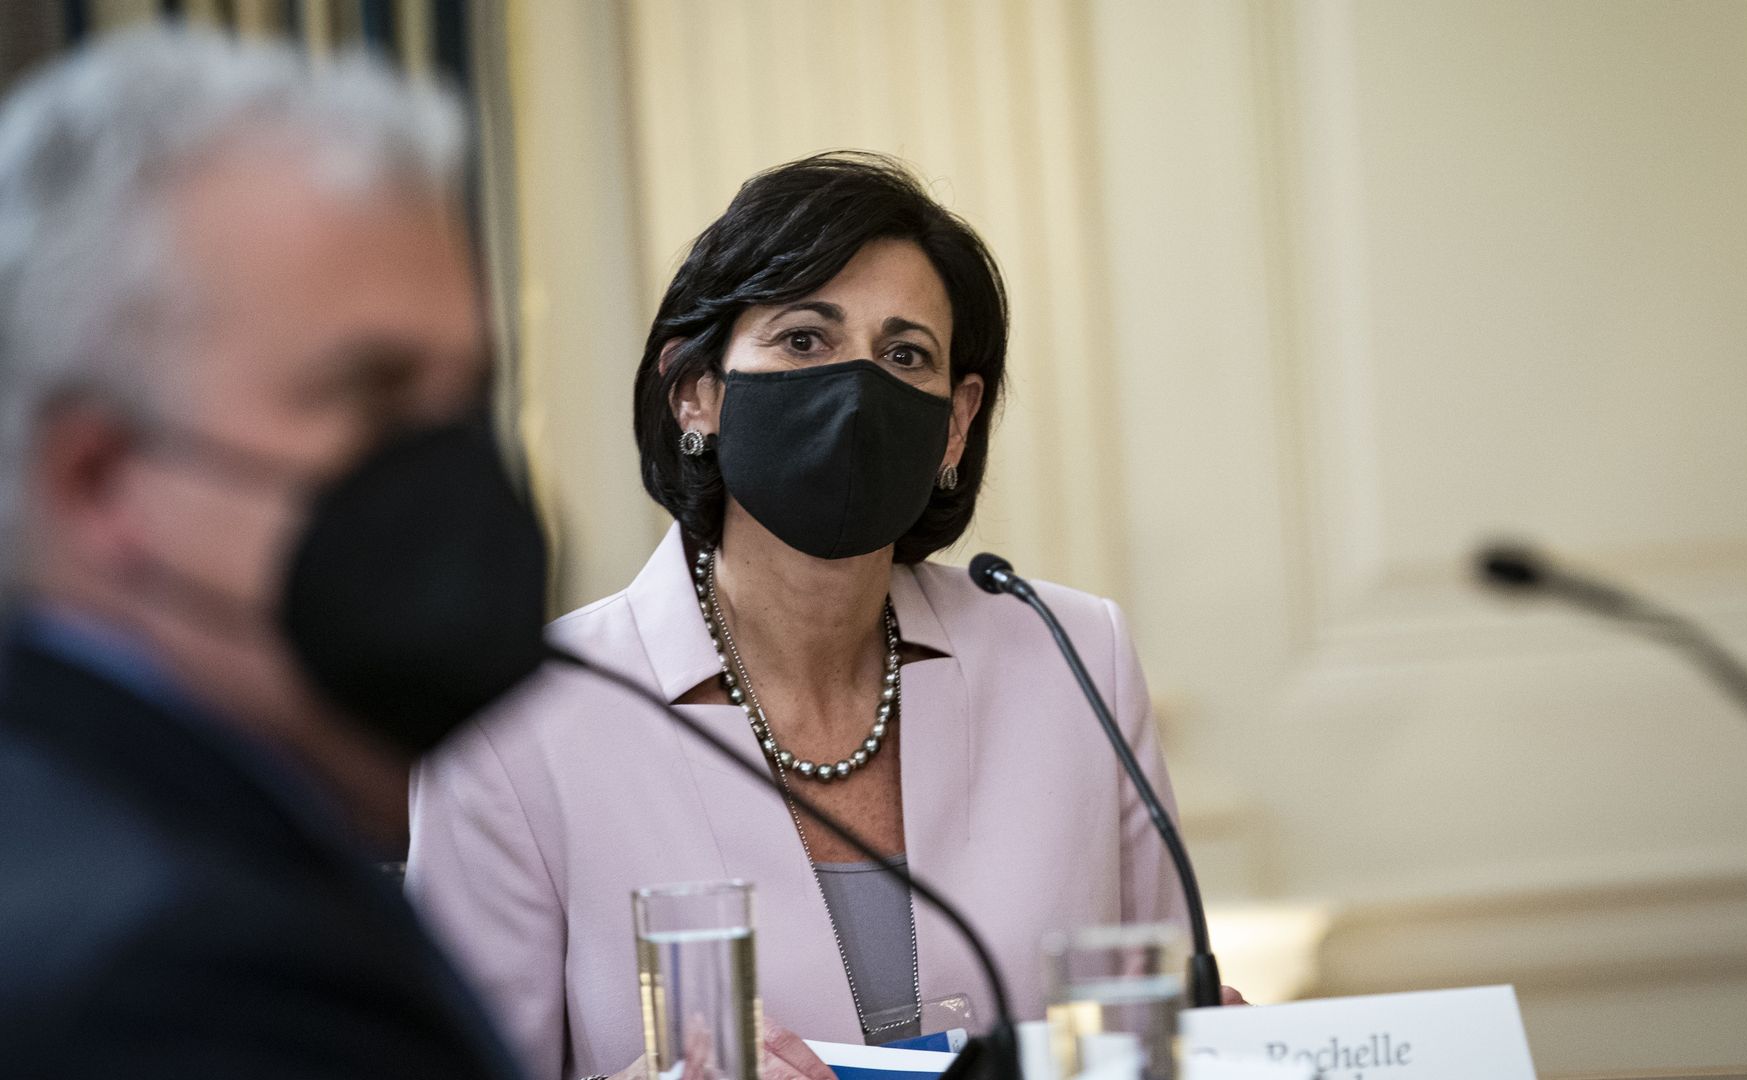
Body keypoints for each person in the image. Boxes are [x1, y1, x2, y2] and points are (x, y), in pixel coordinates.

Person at [409, 153, 1225, 1080]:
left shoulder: (1073, 657)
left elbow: (1156, 1033)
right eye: (803, 340)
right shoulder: (514, 716)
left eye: (905, 355)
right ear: (695, 390)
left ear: (956, 424)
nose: (857, 390)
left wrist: (1209, 1050)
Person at [0, 27, 539, 1077]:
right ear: (99, 479)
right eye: (373, 400)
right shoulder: (194, 979)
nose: (454, 477)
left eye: (469, 405)